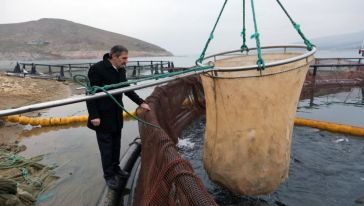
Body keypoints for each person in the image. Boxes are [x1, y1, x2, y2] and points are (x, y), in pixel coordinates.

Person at [86, 45, 151, 190]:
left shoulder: (121, 69)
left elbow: (126, 89)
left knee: (116, 144)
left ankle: (116, 168)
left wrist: (141, 102)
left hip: (116, 113)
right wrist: (94, 116)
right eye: (124, 58)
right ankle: (109, 176)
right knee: (106, 148)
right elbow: (90, 93)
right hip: (102, 116)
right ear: (113, 56)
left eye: (127, 58)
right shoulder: (97, 69)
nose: (126, 61)